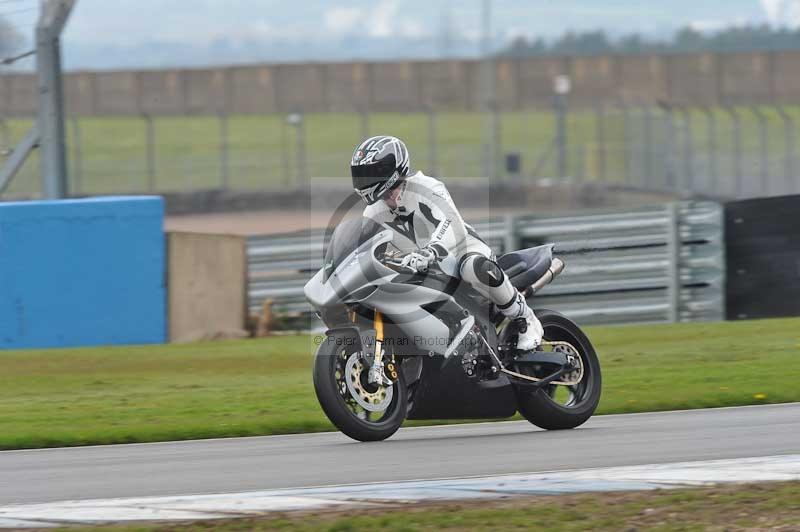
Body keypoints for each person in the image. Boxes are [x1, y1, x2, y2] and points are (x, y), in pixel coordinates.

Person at [351, 135, 543, 351]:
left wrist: (431, 250)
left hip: (461, 250)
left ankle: (524, 318)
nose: (364, 178)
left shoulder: (426, 187)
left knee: (474, 268)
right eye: (361, 173)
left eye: (370, 172)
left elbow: (450, 221)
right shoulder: (372, 211)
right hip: (420, 269)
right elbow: (364, 247)